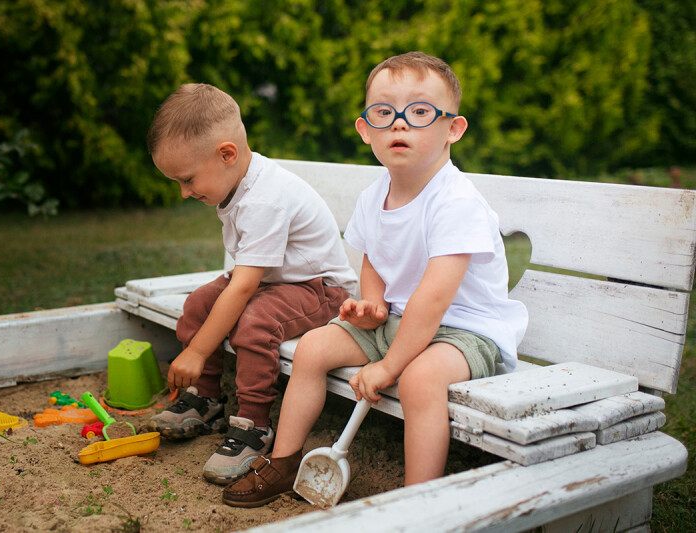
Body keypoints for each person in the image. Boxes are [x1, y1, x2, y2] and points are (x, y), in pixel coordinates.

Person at [222, 52, 528, 507]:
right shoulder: (373, 196)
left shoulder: (457, 202)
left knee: (419, 380)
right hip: (401, 320)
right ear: (366, 130)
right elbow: (374, 260)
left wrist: (388, 366)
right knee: (313, 348)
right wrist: (373, 304)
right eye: (384, 113)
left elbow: (435, 297)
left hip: (465, 331)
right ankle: (284, 461)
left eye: (420, 112)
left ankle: (416, 500)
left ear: (453, 129)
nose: (400, 124)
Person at [146, 83, 358, 486]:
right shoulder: (235, 177)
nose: (184, 192)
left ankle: (253, 427)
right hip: (275, 281)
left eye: (188, 180)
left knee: (255, 321)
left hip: (320, 290)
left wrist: (196, 350)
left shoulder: (265, 197)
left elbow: (243, 289)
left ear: (226, 154)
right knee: (200, 304)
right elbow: (243, 280)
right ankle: (206, 400)